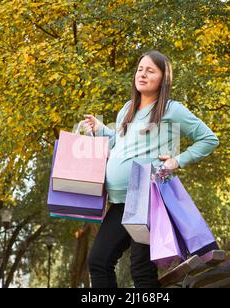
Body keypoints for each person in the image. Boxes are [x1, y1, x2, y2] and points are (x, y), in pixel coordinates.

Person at [82, 50, 220, 288]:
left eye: (150, 70)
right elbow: (120, 144)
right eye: (139, 69)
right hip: (119, 202)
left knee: (141, 269)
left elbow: (209, 139)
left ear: (163, 78)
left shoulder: (171, 109)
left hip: (147, 198)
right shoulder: (127, 109)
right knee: (98, 261)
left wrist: (176, 161)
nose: (142, 74)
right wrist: (101, 129)